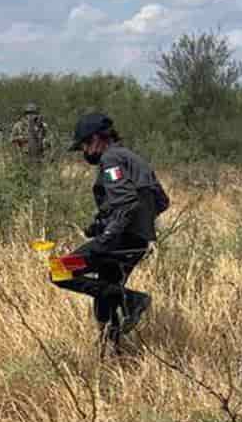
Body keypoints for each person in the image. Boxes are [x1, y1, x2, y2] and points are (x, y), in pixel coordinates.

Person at [53, 112, 169, 343]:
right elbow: (162, 202)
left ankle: (133, 300)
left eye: (84, 145)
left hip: (118, 241)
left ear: (96, 139)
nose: (84, 151)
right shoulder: (132, 158)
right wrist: (102, 225)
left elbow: (125, 203)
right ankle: (111, 354)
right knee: (106, 298)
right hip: (137, 242)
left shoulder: (111, 159)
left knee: (59, 270)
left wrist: (107, 235)